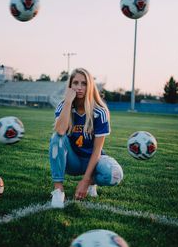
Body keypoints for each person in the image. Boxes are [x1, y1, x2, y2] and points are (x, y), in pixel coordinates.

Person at [49, 68, 123, 208]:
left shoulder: (100, 111)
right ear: (70, 86)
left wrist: (86, 180)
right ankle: (58, 190)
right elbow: (60, 131)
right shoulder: (63, 106)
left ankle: (91, 183)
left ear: (90, 86)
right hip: (72, 161)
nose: (79, 87)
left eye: (84, 83)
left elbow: (97, 149)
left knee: (115, 175)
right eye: (75, 83)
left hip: (93, 160)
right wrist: (68, 103)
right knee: (56, 138)